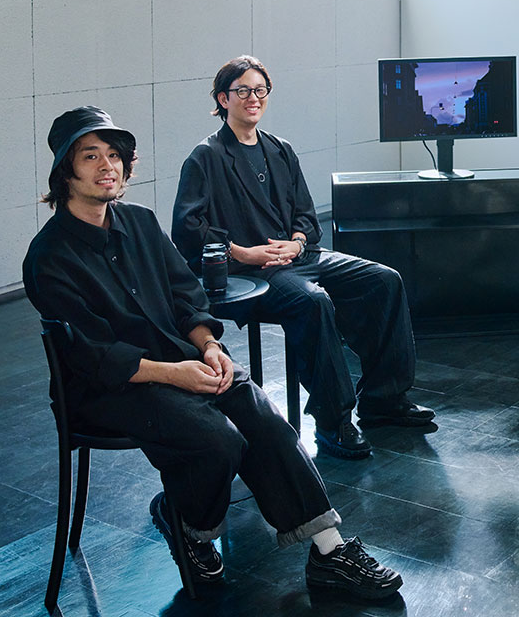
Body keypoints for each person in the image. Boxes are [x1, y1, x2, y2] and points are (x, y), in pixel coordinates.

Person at [23, 106, 403, 599]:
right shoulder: (49, 256)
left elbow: (187, 295)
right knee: (216, 440)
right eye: (90, 156)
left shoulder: (140, 222)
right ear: (65, 172)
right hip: (108, 388)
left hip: (183, 361)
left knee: (264, 418)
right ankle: (188, 525)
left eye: (114, 155)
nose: (107, 166)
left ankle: (330, 551)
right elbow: (93, 355)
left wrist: (210, 346)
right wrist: (174, 373)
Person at [172, 56, 433, 460]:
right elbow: (187, 228)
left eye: (260, 90)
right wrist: (241, 251)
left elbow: (307, 218)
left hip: (297, 257)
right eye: (243, 91)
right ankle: (332, 420)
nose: (253, 98)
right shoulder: (205, 157)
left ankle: (383, 400)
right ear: (223, 99)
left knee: (384, 279)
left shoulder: (281, 150)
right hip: (251, 270)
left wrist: (295, 243)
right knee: (312, 301)